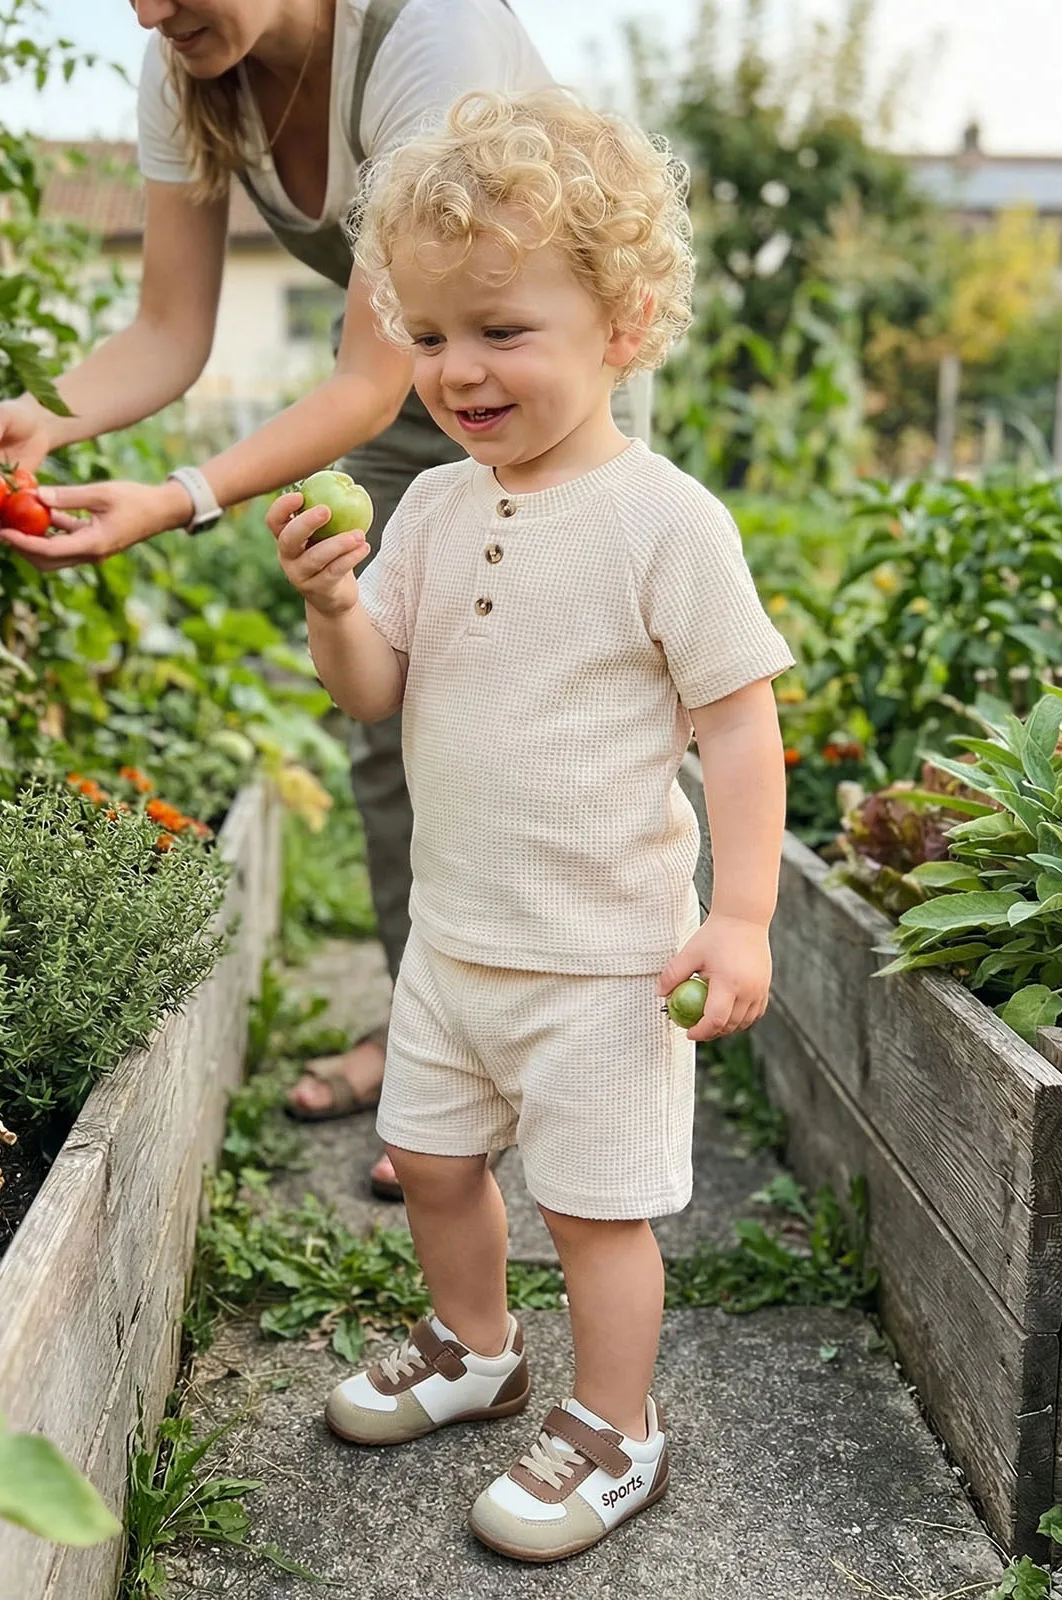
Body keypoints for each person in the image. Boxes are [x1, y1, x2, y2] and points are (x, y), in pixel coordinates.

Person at [0, 0, 650, 1201]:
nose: (148, 9)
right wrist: (43, 418)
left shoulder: (427, 37)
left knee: (579, 700)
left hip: (527, 376)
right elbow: (170, 330)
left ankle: (619, 1030)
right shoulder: (189, 67)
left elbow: (362, 378)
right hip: (416, 377)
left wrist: (182, 493)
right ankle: (434, 1047)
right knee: (392, 718)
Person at [267, 89, 793, 1561]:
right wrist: (328, 601)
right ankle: (474, 1349)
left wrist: (738, 912)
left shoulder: (665, 523)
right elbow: (373, 688)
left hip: (605, 965)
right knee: (432, 1165)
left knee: (596, 1212)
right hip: (456, 944)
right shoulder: (430, 511)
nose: (456, 371)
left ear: (623, 321)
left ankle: (617, 1432)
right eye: (430, 336)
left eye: (501, 329)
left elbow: (738, 723)